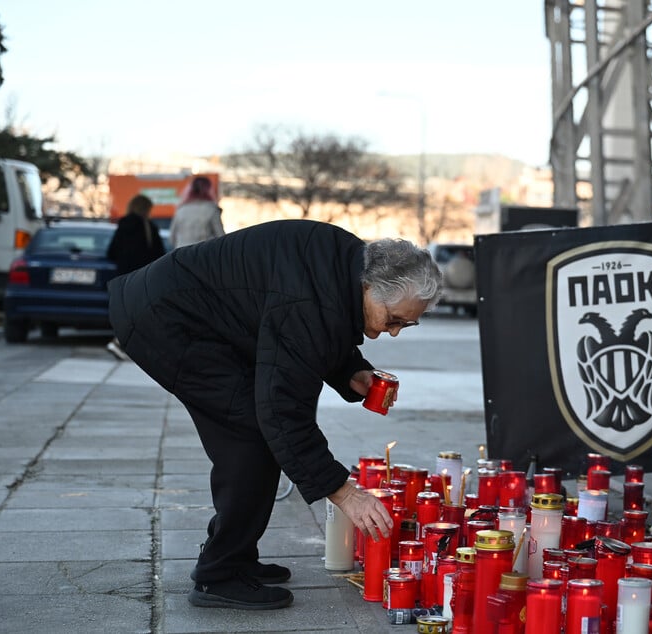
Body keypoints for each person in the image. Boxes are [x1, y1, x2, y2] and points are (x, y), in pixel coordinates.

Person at [107, 219, 442, 610]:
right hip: (166, 320)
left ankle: (237, 557)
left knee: (258, 431)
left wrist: (350, 370)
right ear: (371, 287)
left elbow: (314, 327)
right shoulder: (314, 301)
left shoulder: (348, 269)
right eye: (394, 319)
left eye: (408, 324)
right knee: (251, 435)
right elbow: (283, 410)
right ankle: (219, 573)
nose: (396, 332)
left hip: (187, 313)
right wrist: (343, 492)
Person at [104, 194, 165, 360]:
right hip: (143, 277)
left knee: (125, 312)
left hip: (123, 277)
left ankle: (120, 342)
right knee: (141, 313)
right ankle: (122, 344)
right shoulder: (149, 228)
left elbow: (111, 252)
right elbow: (159, 255)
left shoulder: (123, 226)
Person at [169, 175, 225, 247]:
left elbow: (172, 238)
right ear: (209, 190)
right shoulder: (212, 210)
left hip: (182, 253)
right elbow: (221, 237)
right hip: (204, 253)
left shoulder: (181, 210)